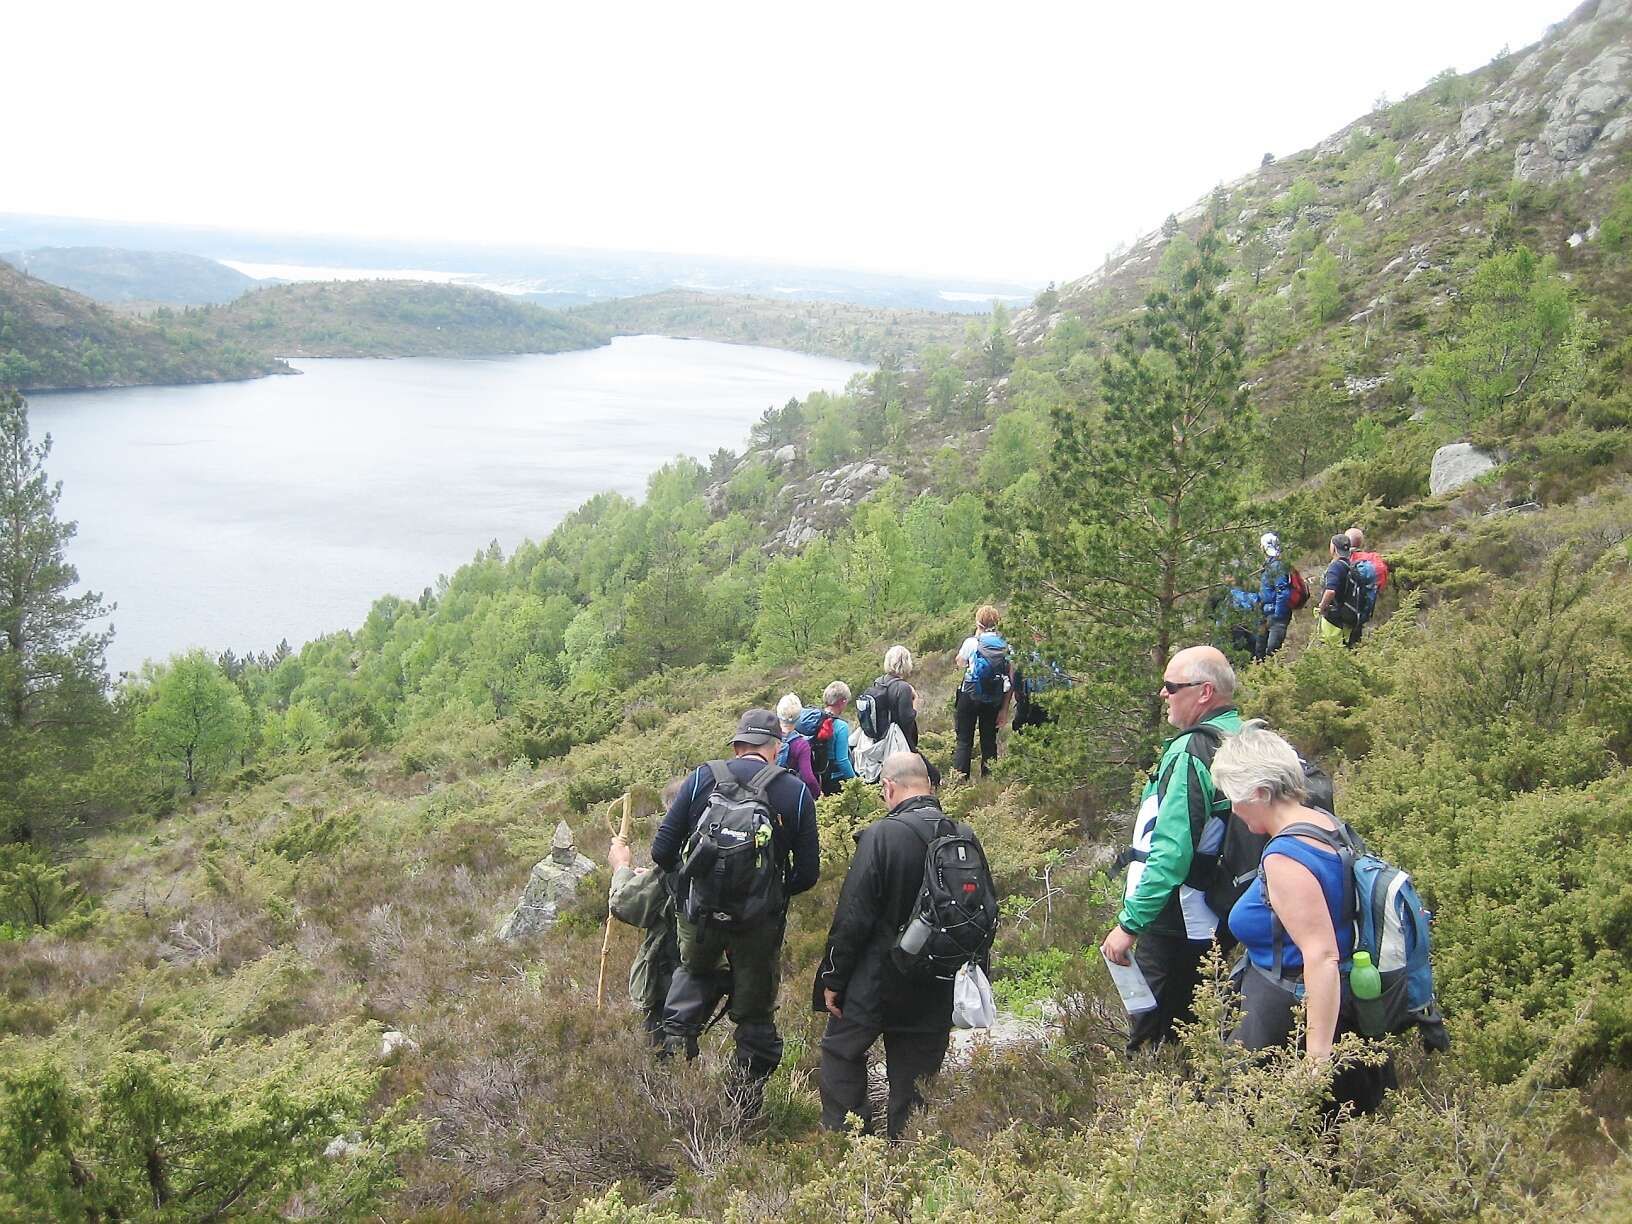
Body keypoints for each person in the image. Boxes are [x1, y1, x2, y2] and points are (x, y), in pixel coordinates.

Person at [1211, 722, 1394, 1114]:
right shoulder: (1326, 825)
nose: (1234, 810)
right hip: (1341, 1000)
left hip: (1290, 1013)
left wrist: (1316, 1062)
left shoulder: (1286, 858)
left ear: (1260, 792)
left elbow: (1321, 956)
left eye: (1235, 797)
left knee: (1258, 1127)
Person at [651, 709, 821, 1110]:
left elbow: (661, 851)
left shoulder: (701, 778)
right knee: (755, 1017)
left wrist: (688, 889)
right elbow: (808, 874)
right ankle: (741, 1108)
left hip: (700, 918)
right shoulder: (794, 792)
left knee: (692, 978)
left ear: (738, 745)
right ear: (775, 747)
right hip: (757, 926)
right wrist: (770, 895)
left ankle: (671, 1092)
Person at [813, 752, 969, 1139]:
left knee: (840, 1052)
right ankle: (910, 1153)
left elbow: (853, 917)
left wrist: (833, 978)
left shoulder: (882, 835)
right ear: (930, 786)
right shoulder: (962, 836)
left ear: (888, 787)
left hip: (877, 979)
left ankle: (849, 1144)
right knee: (916, 1079)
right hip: (937, 979)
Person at [1101, 646, 1242, 1051]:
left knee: (1153, 1035)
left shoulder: (1190, 752)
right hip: (1220, 908)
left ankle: (1157, 1089)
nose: (1163, 694)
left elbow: (1172, 853)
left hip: (1177, 917)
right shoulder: (1241, 736)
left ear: (1204, 692)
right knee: (1196, 1024)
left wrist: (1130, 925)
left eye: (1171, 686)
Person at [606, 783, 686, 1044]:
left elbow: (624, 904)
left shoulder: (679, 858)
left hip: (673, 976)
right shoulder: (720, 847)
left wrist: (621, 867)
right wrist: (651, 877)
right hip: (726, 972)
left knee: (665, 1046)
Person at [860, 646, 940, 786]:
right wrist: (915, 701)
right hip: (898, 739)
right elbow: (907, 720)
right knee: (932, 775)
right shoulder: (903, 688)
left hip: (879, 738)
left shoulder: (879, 682)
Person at [953, 605, 1013, 778]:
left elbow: (960, 662)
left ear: (978, 623)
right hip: (993, 699)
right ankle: (989, 780)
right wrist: (1004, 709)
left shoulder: (972, 643)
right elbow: (1011, 679)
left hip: (969, 696)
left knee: (964, 741)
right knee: (989, 741)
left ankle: (959, 782)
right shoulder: (1006, 647)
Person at [1316, 533, 1363, 649]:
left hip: (1334, 618)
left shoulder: (1335, 567)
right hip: (1348, 616)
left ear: (1334, 548)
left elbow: (1330, 591)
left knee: (1331, 649)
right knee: (1345, 649)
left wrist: (1322, 607)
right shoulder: (1351, 566)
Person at [775, 692, 822, 797]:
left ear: (778, 713)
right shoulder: (801, 744)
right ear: (799, 716)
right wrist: (819, 794)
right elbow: (808, 777)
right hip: (788, 793)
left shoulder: (770, 737)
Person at [1257, 532, 1294, 660]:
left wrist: (1277, 615)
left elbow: (1282, 592)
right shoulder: (1269, 565)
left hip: (1275, 615)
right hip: (1266, 613)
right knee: (1260, 650)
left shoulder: (1277, 566)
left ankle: (1274, 672)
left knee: (1272, 651)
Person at [820, 681, 858, 794]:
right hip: (834, 778)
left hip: (819, 774)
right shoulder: (841, 726)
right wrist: (856, 783)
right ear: (843, 701)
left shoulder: (817, 719)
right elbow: (842, 761)